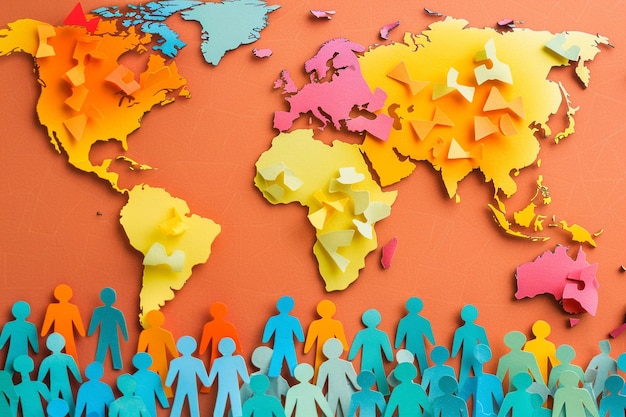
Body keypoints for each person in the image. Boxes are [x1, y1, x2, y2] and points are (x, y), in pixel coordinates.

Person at [87, 287, 128, 370]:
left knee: (104, 348)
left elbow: (122, 324)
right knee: (110, 347)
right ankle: (115, 364)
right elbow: (122, 324)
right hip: (110, 334)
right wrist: (125, 335)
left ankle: (100, 365)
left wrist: (91, 331)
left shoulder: (100, 310)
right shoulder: (116, 312)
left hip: (107, 334)